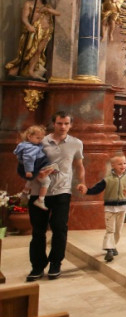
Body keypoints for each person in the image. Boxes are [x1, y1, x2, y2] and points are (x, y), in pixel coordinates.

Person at [26, 111, 85, 282]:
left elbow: (79, 165)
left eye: (66, 123)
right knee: (38, 231)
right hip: (38, 192)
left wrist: (82, 182)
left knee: (59, 228)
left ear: (71, 125)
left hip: (62, 191)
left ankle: (55, 263)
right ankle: (37, 266)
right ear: (53, 124)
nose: (63, 127)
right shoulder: (41, 141)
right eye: (59, 123)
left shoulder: (76, 143)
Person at [77, 154, 126, 262]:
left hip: (122, 208)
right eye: (120, 164)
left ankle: (113, 246)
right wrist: (87, 191)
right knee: (110, 230)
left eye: (124, 163)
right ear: (113, 165)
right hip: (110, 208)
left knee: (118, 231)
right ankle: (109, 250)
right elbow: (96, 189)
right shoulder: (107, 179)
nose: (123, 166)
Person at [5, 0, 60, 80]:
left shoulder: (46, 6)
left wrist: (47, 10)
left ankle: (31, 71)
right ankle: (16, 70)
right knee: (28, 52)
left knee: (38, 51)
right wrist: (28, 26)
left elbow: (58, 13)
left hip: (45, 32)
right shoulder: (29, 4)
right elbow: (24, 17)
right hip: (33, 31)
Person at [14, 124, 55, 210]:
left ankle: (25, 192)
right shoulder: (30, 148)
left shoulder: (26, 145)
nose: (40, 140)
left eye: (41, 138)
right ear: (29, 136)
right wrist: (28, 171)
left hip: (36, 166)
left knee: (32, 179)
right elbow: (28, 159)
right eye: (38, 138)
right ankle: (40, 200)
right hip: (36, 166)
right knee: (46, 181)